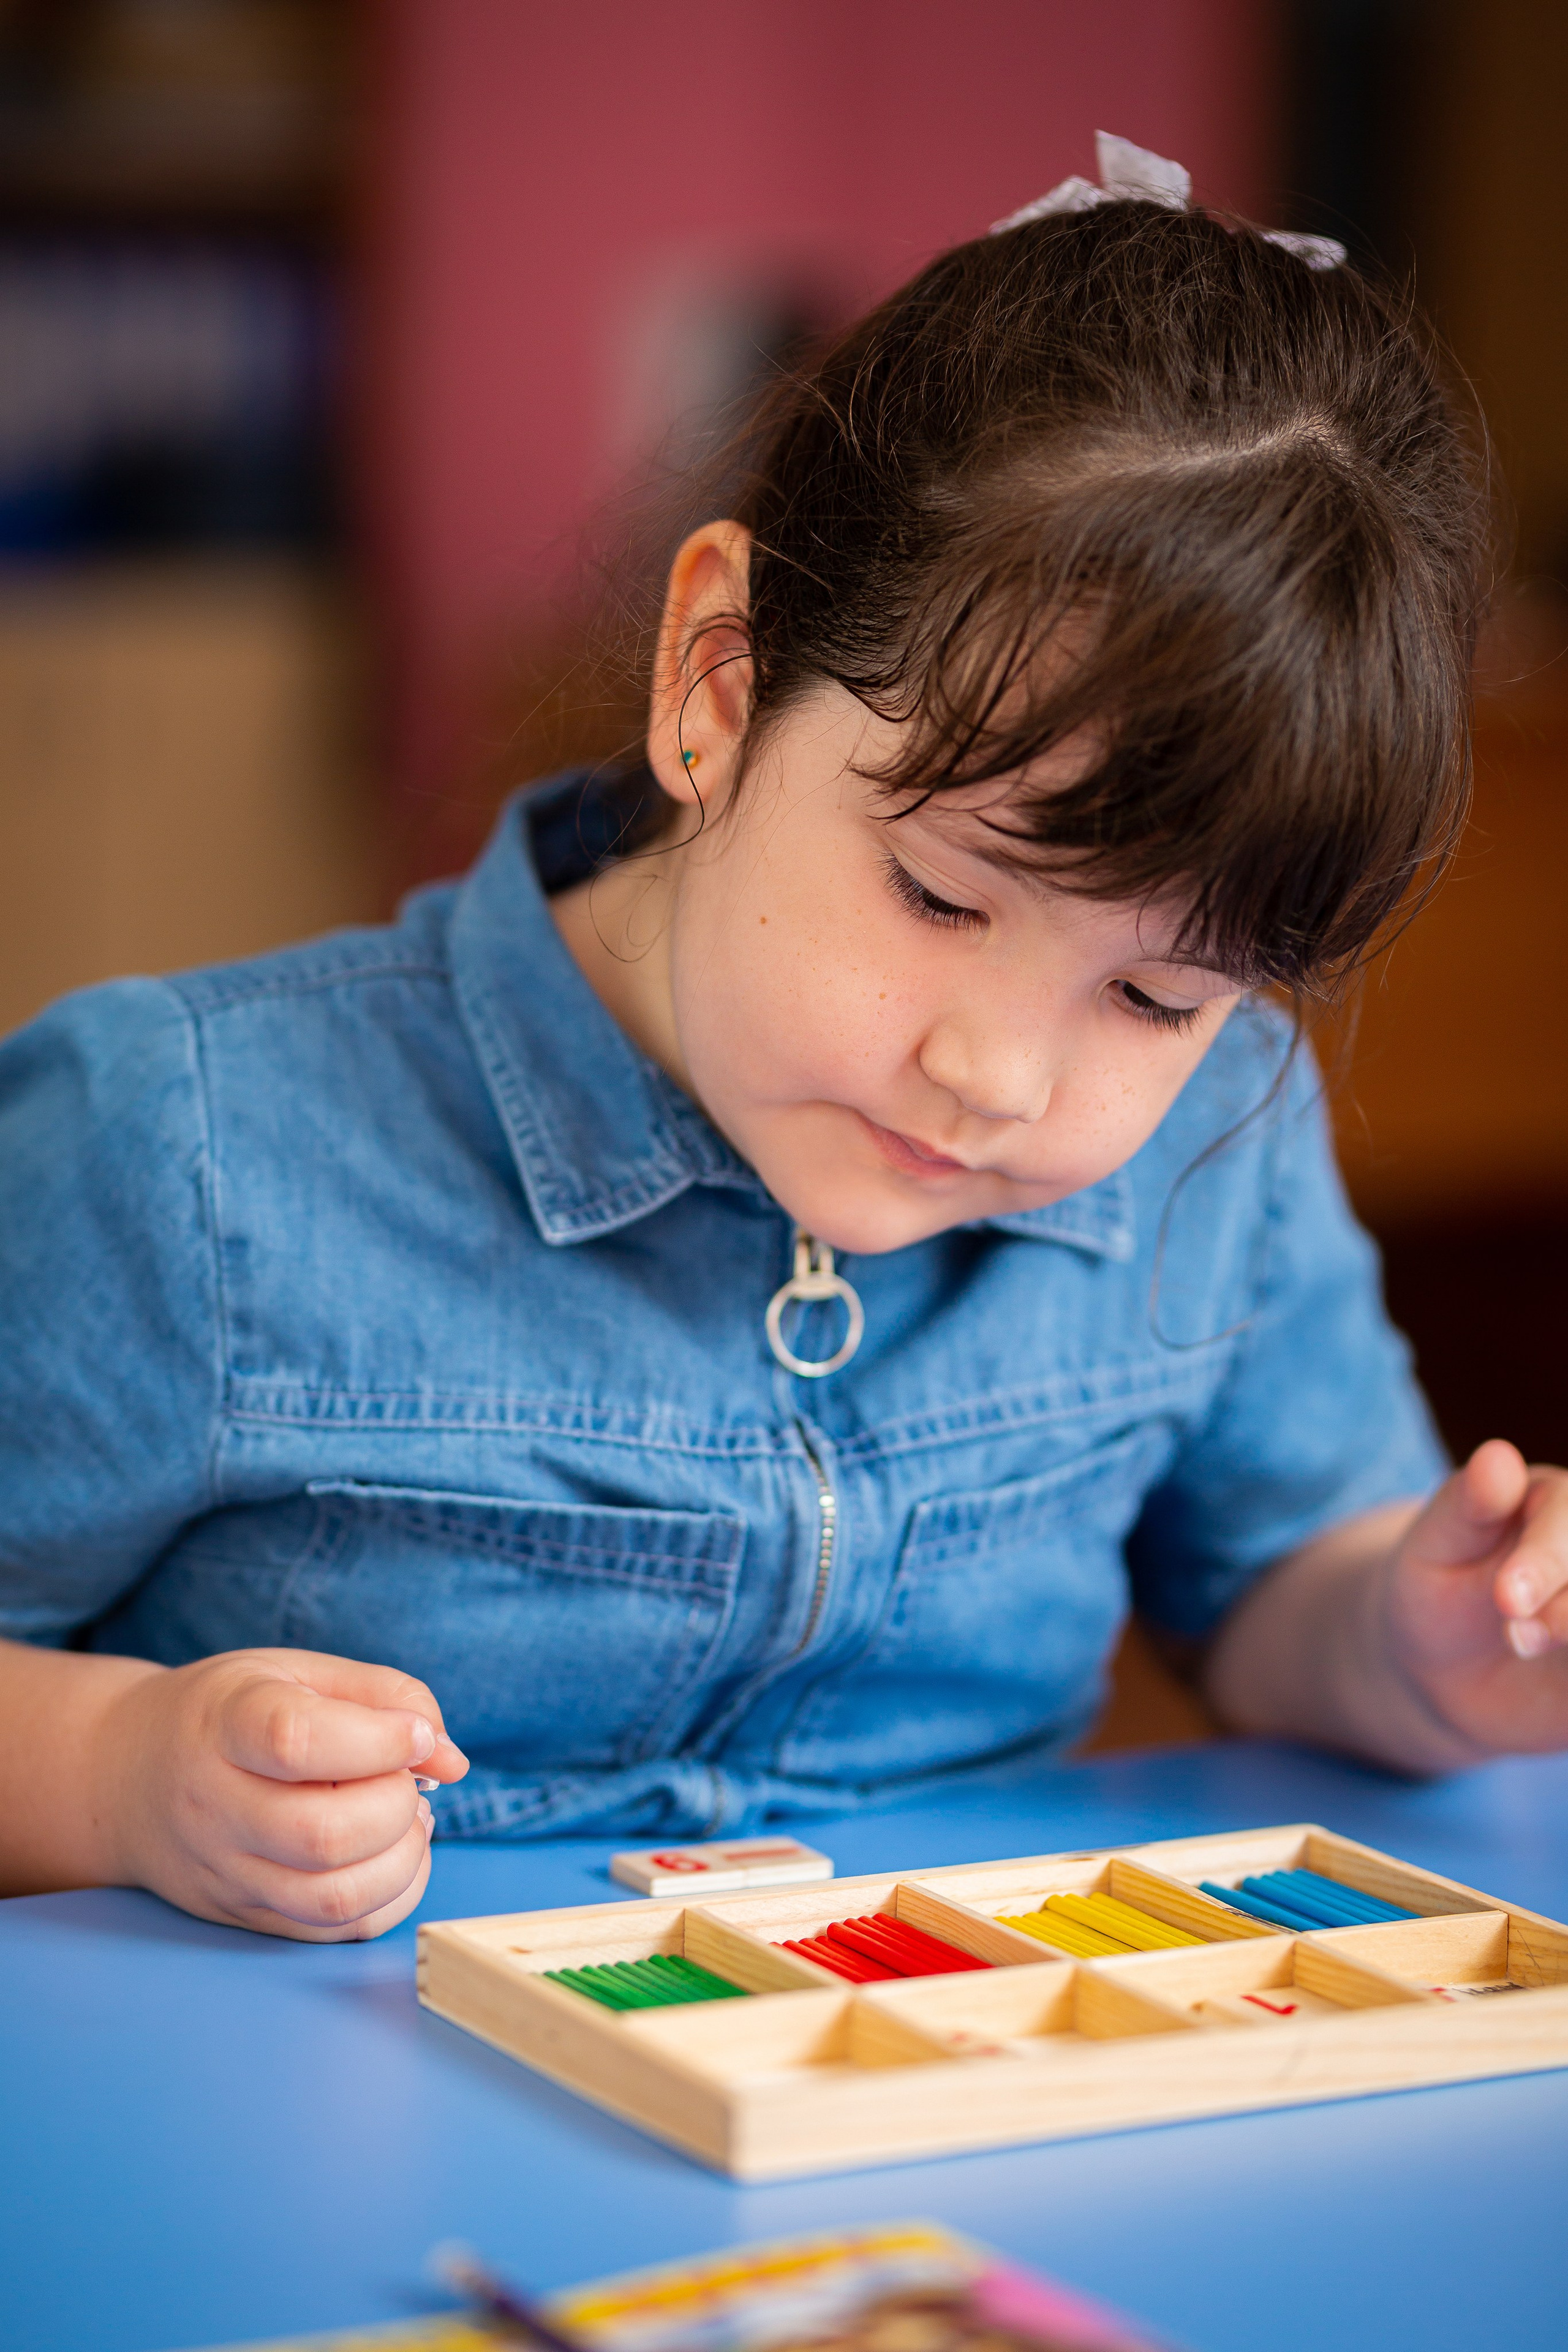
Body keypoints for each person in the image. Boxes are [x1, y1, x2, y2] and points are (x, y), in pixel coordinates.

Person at [2, 139, 1565, 1945]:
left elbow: (1283, 1581)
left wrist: (1427, 1644)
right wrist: (121, 1774)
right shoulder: (183, 1148)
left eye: (1157, 997)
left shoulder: (1226, 1144)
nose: (1001, 1077)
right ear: (717, 679)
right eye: (941, 896)